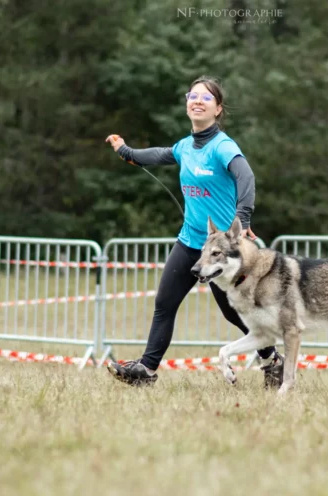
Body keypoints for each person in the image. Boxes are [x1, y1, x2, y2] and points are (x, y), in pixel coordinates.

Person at [104, 76, 284, 388]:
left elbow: (247, 177)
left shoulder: (223, 146)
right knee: (165, 303)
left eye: (205, 98)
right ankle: (146, 370)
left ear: (218, 109)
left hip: (222, 250)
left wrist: (242, 219)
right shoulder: (185, 147)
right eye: (192, 96)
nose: (197, 101)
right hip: (190, 242)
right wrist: (126, 152)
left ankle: (272, 361)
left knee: (232, 313)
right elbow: (159, 154)